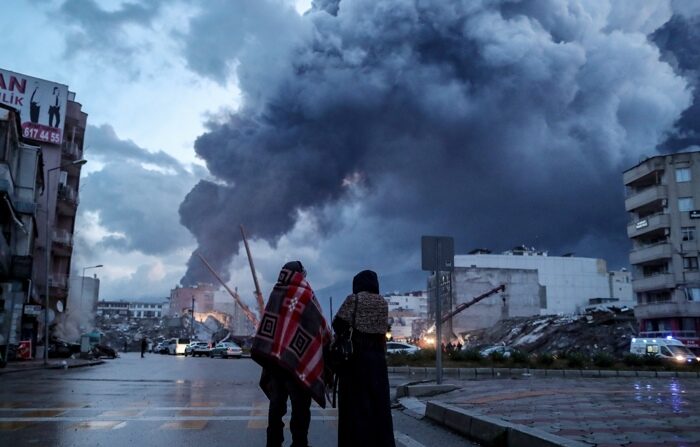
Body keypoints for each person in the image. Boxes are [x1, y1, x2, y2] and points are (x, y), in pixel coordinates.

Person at [251, 261, 331, 447]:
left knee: (276, 406)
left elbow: (268, 326)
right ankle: (299, 443)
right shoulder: (305, 294)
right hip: (298, 363)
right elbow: (320, 327)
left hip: (276, 365)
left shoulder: (276, 292)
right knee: (301, 408)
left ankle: (273, 442)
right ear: (300, 274)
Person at [333, 270, 396, 447]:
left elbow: (338, 324)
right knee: (378, 407)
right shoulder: (383, 302)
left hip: (355, 360)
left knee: (354, 407)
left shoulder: (354, 299)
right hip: (377, 361)